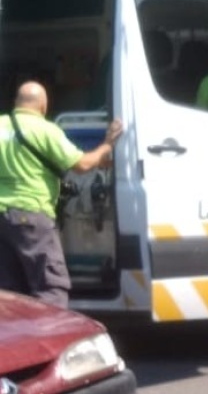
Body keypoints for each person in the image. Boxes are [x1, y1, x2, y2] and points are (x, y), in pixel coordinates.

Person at [0, 81, 123, 308]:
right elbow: (82, 165)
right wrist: (106, 145)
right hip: (31, 217)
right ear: (44, 107)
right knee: (51, 289)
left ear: (16, 103)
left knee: (9, 293)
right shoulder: (45, 130)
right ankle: (51, 342)